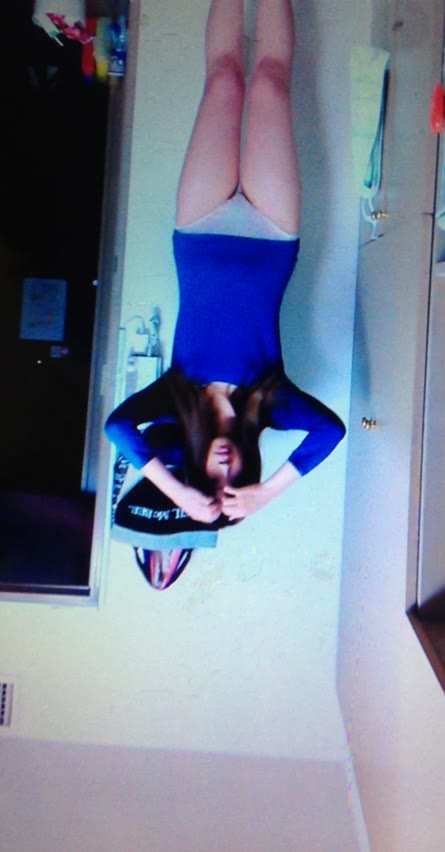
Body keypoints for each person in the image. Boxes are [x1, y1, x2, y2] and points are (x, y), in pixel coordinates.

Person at [105, 0, 346, 527]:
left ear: (192, 467)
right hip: (272, 236)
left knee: (223, 81)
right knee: (270, 84)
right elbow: (331, 431)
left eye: (207, 482)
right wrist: (266, 495)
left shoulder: (174, 397)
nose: (222, 472)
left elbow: (116, 428)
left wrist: (176, 492)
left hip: (201, 232)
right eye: (234, 483)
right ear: (249, 471)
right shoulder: (272, 405)